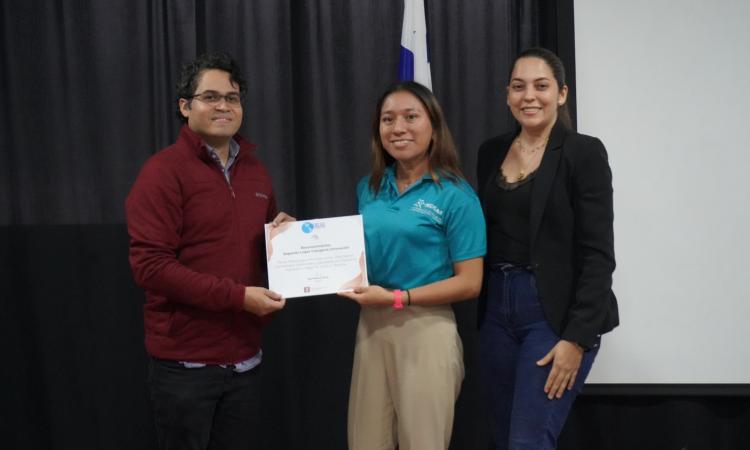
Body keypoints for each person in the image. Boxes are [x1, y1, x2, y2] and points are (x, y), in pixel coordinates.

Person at [125, 53, 293, 450]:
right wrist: (238, 298)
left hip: (246, 363)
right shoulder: (162, 172)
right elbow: (150, 267)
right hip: (187, 369)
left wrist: (284, 240)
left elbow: (254, 253)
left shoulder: (256, 171)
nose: (223, 106)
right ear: (185, 107)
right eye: (211, 97)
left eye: (232, 98)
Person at [476, 47, 619, 449]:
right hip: (496, 315)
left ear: (562, 94)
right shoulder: (490, 152)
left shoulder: (584, 152)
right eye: (519, 87)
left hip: (553, 316)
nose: (529, 97)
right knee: (504, 439)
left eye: (541, 86)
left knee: (528, 441)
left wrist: (578, 339)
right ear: (507, 94)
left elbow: (598, 255)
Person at [338, 81, 486, 450]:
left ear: (433, 127)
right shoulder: (368, 188)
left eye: (410, 117)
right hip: (372, 328)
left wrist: (398, 298)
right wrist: (293, 236)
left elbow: (470, 283)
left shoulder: (456, 195)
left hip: (426, 328)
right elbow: (350, 251)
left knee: (423, 442)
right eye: (388, 119)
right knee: (365, 442)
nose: (398, 127)